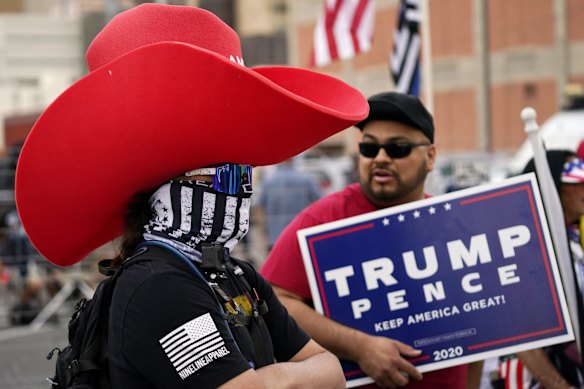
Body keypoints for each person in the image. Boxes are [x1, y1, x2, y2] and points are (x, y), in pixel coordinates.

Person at [14, 4, 370, 388]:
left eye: (244, 173)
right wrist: (283, 377)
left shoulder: (237, 273)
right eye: (225, 176)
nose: (241, 189)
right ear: (168, 187)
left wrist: (273, 379)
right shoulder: (157, 286)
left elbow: (331, 370)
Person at [260, 91, 470, 388]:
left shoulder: (453, 224)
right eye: (370, 148)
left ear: (431, 156)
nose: (381, 158)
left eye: (397, 148)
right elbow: (275, 300)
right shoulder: (323, 220)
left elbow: (480, 329)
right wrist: (360, 347)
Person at [517, 150, 584, 389]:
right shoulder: (529, 251)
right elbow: (522, 335)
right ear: (552, 186)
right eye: (576, 179)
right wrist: (560, 387)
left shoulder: (575, 240)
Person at [257, 159, 322, 251]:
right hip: (300, 234)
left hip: (275, 237)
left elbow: (259, 207)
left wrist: (263, 230)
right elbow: (320, 202)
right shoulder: (307, 179)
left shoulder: (267, 181)